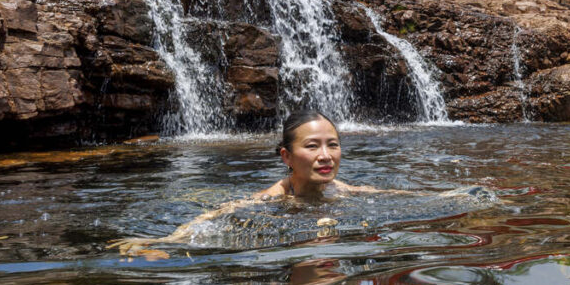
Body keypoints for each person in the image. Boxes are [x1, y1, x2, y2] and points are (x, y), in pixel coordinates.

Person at [111, 109, 374, 256]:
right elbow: (217, 215)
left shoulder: (341, 189)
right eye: (312, 146)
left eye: (333, 145)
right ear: (287, 156)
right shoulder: (272, 198)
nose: (326, 156)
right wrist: (163, 241)